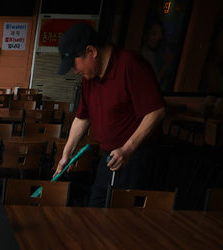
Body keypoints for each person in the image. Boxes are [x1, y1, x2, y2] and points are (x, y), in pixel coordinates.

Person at [55, 23, 166, 207]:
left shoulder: (130, 64)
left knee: (123, 219)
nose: (75, 71)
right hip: (109, 157)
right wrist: (66, 154)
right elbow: (83, 117)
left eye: (74, 64)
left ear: (91, 51)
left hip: (135, 159)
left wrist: (128, 149)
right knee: (96, 209)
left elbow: (156, 111)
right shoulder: (89, 78)